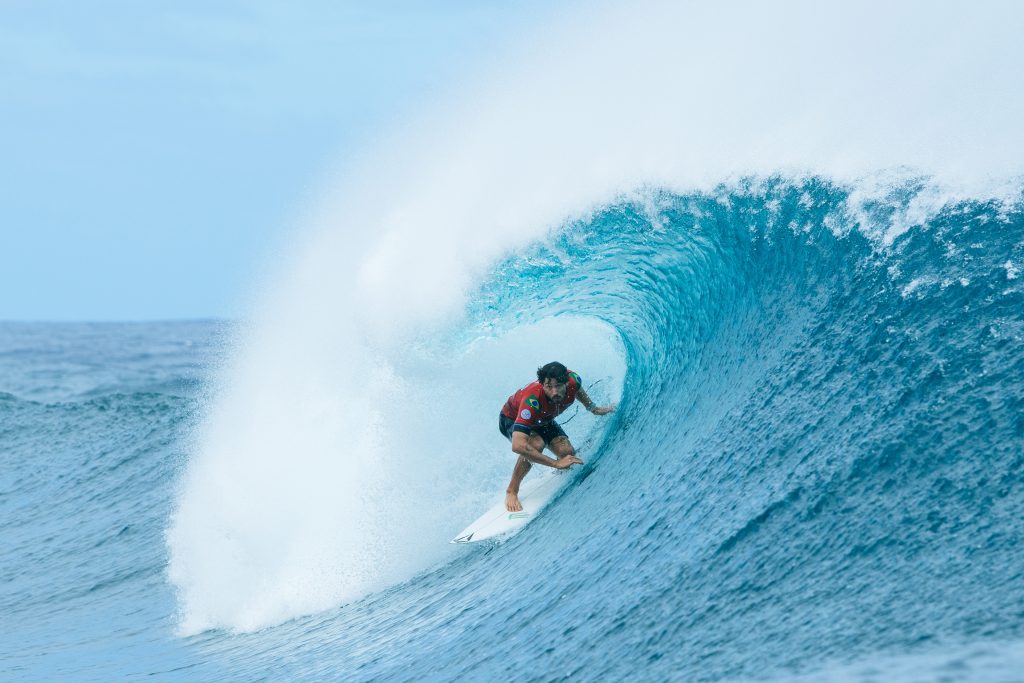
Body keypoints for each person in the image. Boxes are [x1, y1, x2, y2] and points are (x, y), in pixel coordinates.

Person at [498, 361, 616, 512]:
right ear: (542, 385)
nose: (554, 392)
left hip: (542, 419)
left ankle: (559, 466)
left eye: (558, 386)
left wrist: (593, 408)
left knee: (567, 453)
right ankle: (512, 490)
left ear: (566, 382)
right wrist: (555, 463)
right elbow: (518, 445)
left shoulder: (574, 380)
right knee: (535, 445)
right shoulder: (532, 400)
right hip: (511, 418)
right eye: (548, 387)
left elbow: (576, 390)